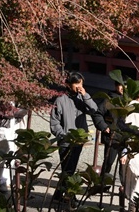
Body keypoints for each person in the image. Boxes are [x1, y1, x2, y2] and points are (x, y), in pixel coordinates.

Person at [49, 72, 110, 207]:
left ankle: (58, 195)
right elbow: (54, 122)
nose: (79, 86)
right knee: (68, 170)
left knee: (69, 169)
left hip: (79, 140)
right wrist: (63, 135)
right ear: (68, 84)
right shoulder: (60, 100)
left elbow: (94, 109)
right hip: (66, 141)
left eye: (81, 84)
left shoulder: (82, 98)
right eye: (76, 84)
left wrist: (85, 95)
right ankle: (71, 197)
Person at [0, 100, 28, 195]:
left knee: (12, 149)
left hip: (14, 121)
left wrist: (20, 111)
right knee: (6, 149)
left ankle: (3, 179)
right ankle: (3, 180)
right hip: (2, 122)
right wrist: (15, 111)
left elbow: (24, 105)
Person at [121, 92, 139, 209]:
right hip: (135, 147)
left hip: (135, 148)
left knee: (135, 178)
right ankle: (134, 203)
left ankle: (134, 203)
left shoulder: (131, 107)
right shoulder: (134, 108)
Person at [98, 80, 126, 190]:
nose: (122, 88)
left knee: (124, 163)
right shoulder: (108, 99)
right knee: (109, 161)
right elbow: (98, 113)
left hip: (125, 136)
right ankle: (102, 184)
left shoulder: (128, 101)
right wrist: (104, 126)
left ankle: (124, 186)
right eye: (120, 85)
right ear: (115, 86)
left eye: (125, 85)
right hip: (112, 136)